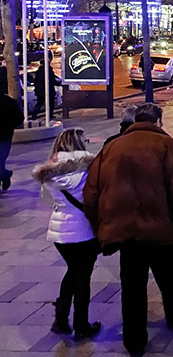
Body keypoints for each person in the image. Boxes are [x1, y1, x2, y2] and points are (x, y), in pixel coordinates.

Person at [83, 103, 173, 355]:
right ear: (158, 122)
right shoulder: (168, 146)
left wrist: (99, 227)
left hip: (126, 233)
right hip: (162, 230)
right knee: (170, 277)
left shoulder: (111, 148)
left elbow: (91, 193)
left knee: (132, 286)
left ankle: (134, 340)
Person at [33, 129, 102, 340]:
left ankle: (61, 319)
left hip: (59, 231)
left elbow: (47, 201)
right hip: (83, 229)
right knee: (82, 276)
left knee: (73, 271)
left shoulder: (50, 173)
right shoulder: (90, 169)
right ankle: (81, 325)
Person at [1, 92, 24, 191]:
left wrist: (7, 128)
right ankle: (5, 174)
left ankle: (4, 175)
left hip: (3, 138)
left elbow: (19, 118)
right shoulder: (9, 101)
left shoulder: (8, 102)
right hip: (5, 136)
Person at [32, 52, 61, 120]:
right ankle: (50, 116)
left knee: (39, 103)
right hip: (48, 90)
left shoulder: (38, 71)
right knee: (50, 104)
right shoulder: (49, 70)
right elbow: (52, 80)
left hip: (40, 91)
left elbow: (36, 81)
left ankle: (34, 116)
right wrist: (59, 84)